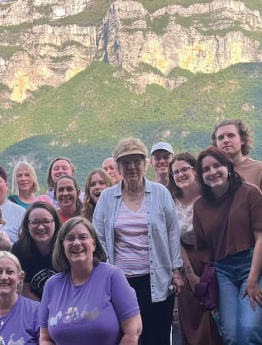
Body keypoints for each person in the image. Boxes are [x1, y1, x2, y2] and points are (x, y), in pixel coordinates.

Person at [93, 137, 183, 345]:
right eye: (125, 162)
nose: (131, 166)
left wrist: (176, 270)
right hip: (120, 282)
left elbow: (172, 233)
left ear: (145, 164)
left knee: (157, 337)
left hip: (157, 280)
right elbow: (99, 239)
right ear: (117, 167)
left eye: (137, 161)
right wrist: (103, 274)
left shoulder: (160, 193)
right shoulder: (107, 198)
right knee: (124, 338)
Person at [192, 147, 262, 344]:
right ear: (201, 176)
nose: (212, 172)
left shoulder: (249, 192)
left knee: (250, 330)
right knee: (230, 334)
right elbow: (202, 247)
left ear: (228, 167)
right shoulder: (199, 206)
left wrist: (252, 280)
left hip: (255, 264)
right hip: (223, 271)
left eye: (217, 165)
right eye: (206, 169)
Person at [38, 217, 142, 345]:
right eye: (70, 238)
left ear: (94, 244)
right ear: (62, 246)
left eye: (83, 237)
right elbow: (45, 338)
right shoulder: (52, 285)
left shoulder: (112, 276)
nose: (76, 243)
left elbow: (133, 331)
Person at [167, 153, 221, 345]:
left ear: (195, 170)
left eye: (184, 169)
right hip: (186, 262)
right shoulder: (171, 201)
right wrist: (188, 272)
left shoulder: (211, 195)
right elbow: (173, 239)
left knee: (219, 324)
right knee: (193, 323)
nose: (180, 175)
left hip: (216, 261)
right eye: (175, 172)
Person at [212, 119, 262, 205]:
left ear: (242, 140)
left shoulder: (261, 169)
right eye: (221, 137)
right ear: (216, 144)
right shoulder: (211, 173)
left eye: (231, 135)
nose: (225, 140)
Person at [13, 202, 60, 301]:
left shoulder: (65, 246)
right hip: (34, 306)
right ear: (27, 225)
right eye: (35, 222)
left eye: (46, 221)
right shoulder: (19, 249)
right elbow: (24, 290)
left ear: (55, 223)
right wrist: (44, 310)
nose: (41, 227)